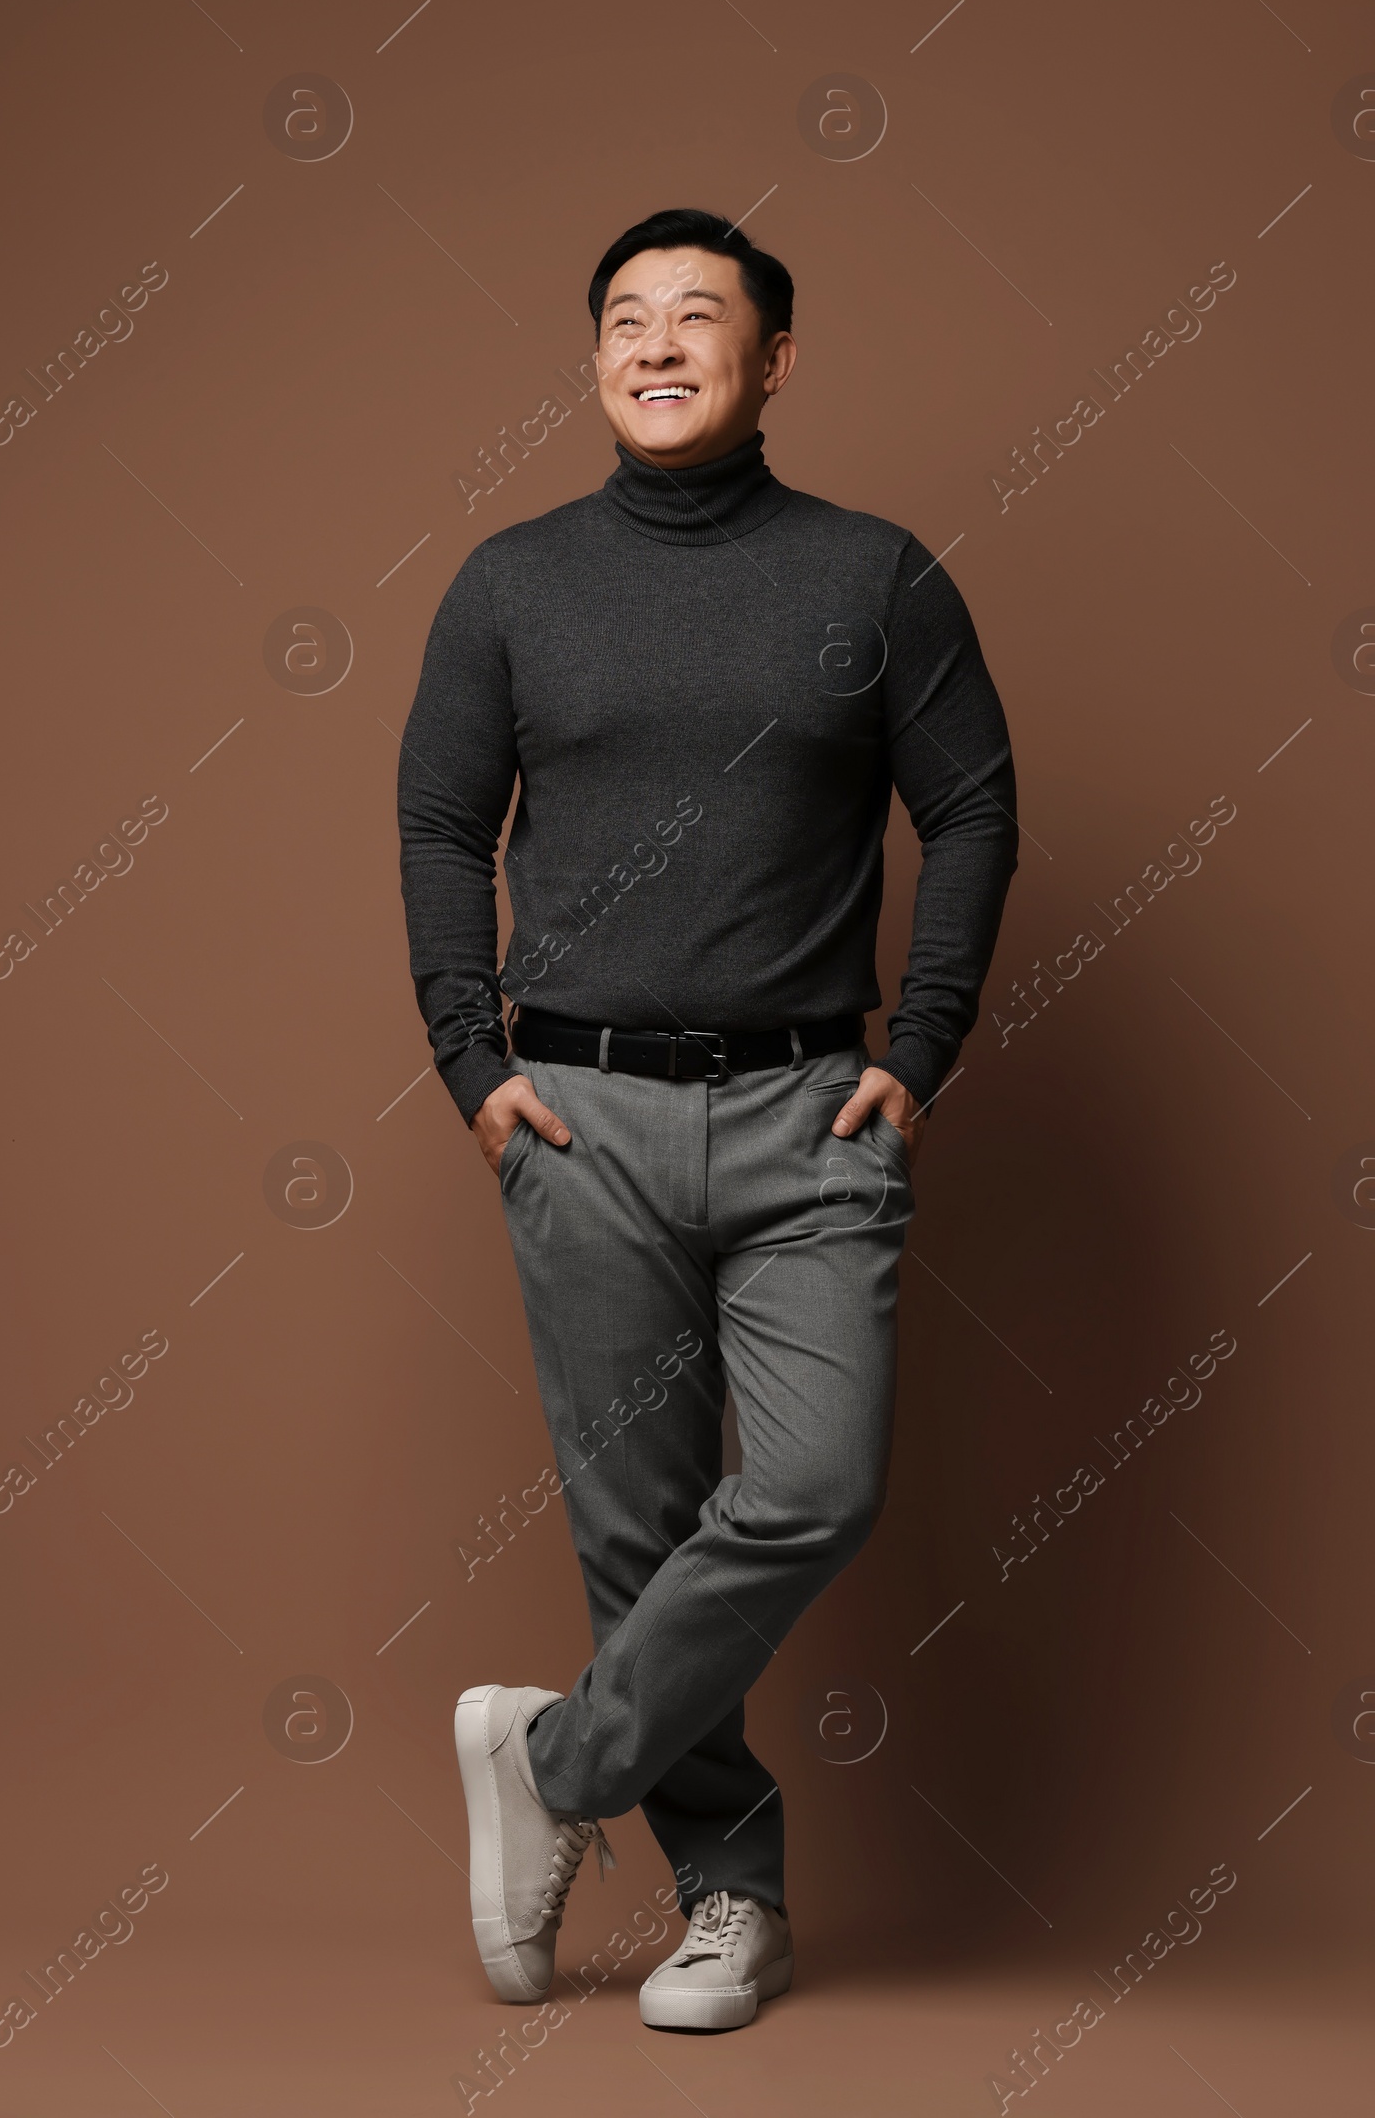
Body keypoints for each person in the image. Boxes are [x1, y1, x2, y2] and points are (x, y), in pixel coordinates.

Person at [397, 207, 1018, 2031]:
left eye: (698, 317)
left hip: (812, 1113)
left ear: (776, 361)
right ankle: (729, 1903)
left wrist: (928, 1039)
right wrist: (472, 1065)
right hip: (574, 1112)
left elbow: (972, 810)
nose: (657, 345)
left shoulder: (875, 575)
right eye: (624, 320)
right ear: (594, 359)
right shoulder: (512, 584)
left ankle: (552, 1765)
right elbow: (442, 829)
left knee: (812, 1485)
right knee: (639, 1534)